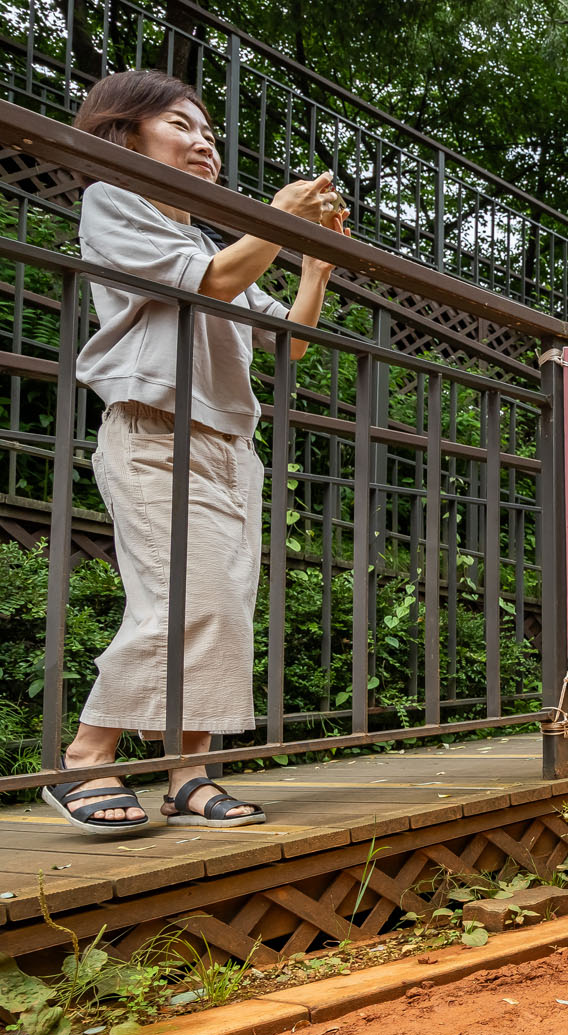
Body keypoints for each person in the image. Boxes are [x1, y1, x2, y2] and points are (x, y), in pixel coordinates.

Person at [42, 69, 346, 836]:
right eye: (180, 124)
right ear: (126, 134)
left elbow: (292, 344)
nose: (203, 139)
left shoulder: (210, 240)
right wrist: (278, 221)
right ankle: (84, 756)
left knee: (221, 611)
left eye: (208, 129)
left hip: (228, 449)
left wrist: (314, 266)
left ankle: (188, 773)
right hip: (155, 435)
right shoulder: (115, 203)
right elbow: (210, 281)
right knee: (185, 599)